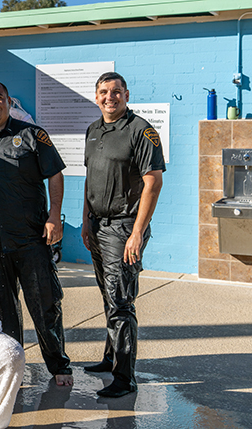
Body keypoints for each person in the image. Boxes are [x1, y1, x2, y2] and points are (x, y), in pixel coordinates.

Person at [0, 80, 73, 386]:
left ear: (9, 102)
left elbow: (55, 175)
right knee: (3, 314)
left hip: (31, 240)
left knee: (44, 305)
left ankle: (59, 365)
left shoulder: (33, 136)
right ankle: (13, 366)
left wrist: (54, 216)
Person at [81, 72, 164, 398]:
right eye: (103, 92)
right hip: (98, 226)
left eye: (116, 92)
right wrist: (86, 221)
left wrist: (137, 234)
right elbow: (90, 179)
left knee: (121, 302)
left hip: (124, 228)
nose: (109, 97)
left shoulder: (140, 130)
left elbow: (153, 182)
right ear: (97, 95)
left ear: (126, 95)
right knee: (108, 295)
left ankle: (125, 377)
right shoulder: (94, 130)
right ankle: (109, 358)